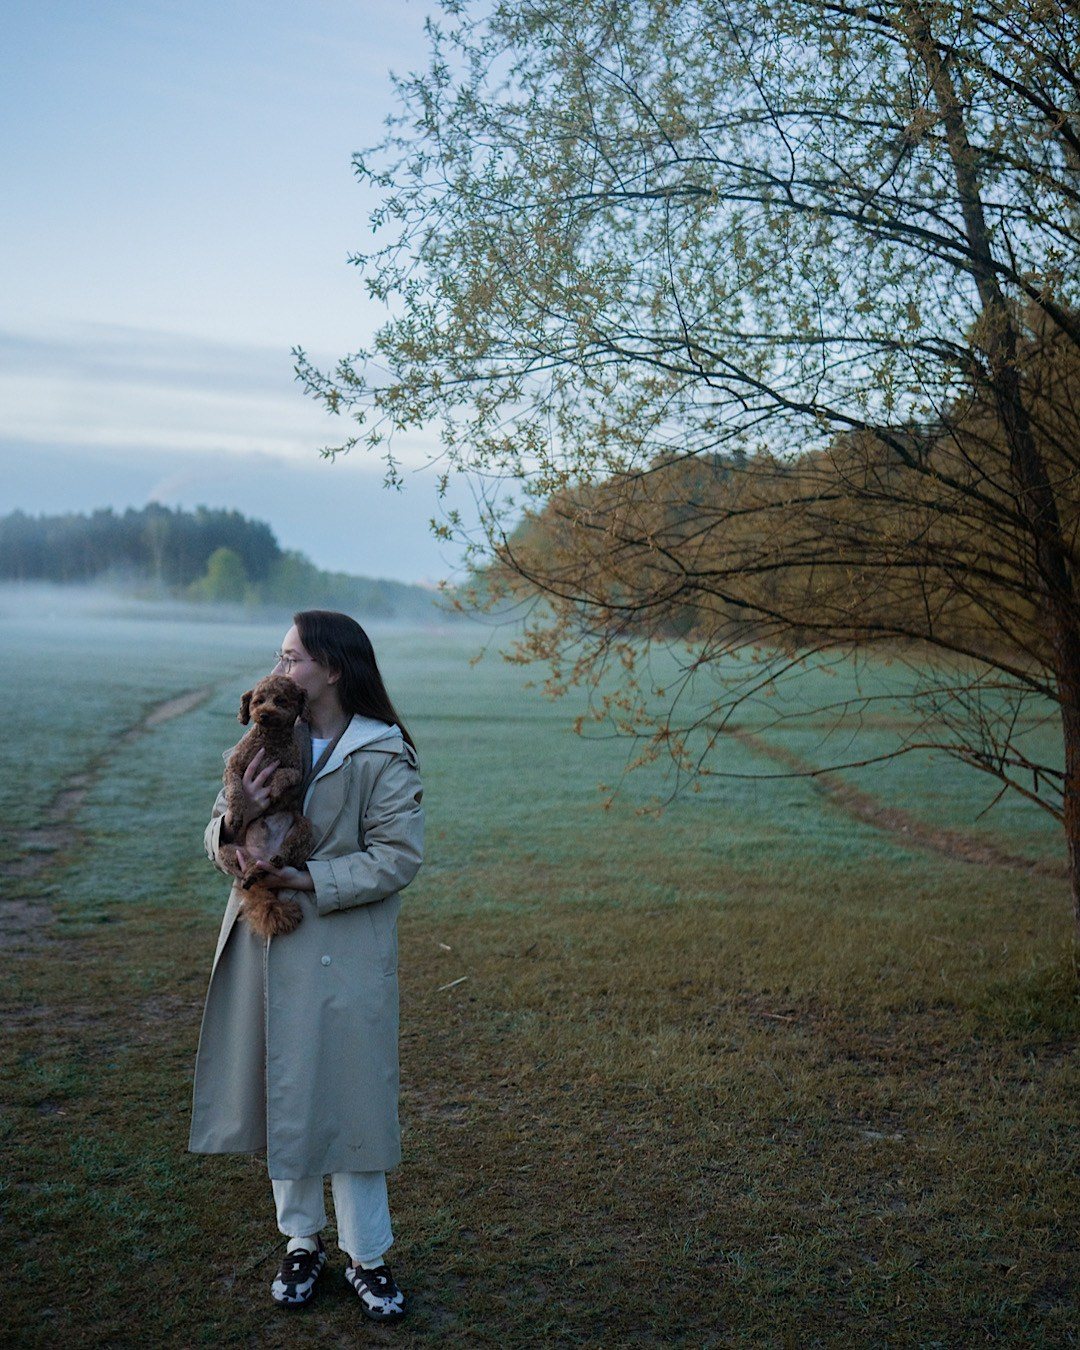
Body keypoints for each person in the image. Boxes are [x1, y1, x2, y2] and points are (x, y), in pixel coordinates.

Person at [189, 610, 424, 1319]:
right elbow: (213, 833)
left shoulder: (383, 752)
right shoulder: (262, 741)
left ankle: (368, 1256)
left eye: (292, 657)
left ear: (332, 668)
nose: (279, 668)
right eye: (280, 655)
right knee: (281, 1093)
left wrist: (310, 879)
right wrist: (236, 818)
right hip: (265, 944)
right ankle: (301, 1242)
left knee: (349, 1098)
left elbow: (398, 857)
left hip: (342, 951)